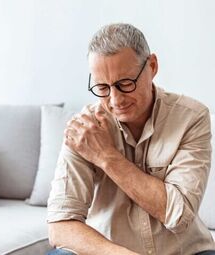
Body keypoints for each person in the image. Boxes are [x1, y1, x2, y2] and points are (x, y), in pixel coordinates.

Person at [46, 23, 215, 255]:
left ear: (152, 66)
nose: (115, 100)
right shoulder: (84, 130)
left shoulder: (192, 117)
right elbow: (60, 227)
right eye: (102, 87)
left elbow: (180, 215)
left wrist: (106, 156)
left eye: (125, 83)